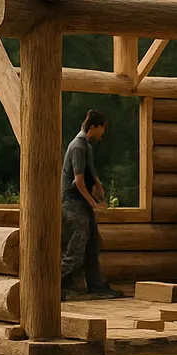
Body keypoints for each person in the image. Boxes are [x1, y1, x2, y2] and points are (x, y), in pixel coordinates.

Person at [60, 109, 124, 299]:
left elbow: (90, 173)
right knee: (76, 248)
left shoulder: (87, 146)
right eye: (103, 128)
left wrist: (98, 185)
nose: (103, 132)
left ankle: (96, 284)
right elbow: (78, 181)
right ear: (94, 126)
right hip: (73, 204)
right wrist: (94, 204)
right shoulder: (78, 146)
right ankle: (54, 284)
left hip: (82, 204)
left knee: (93, 243)